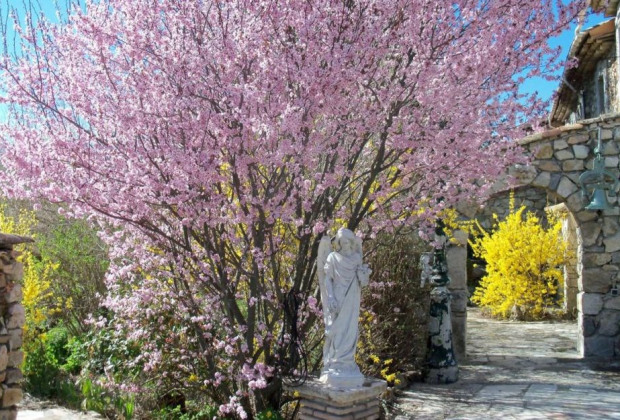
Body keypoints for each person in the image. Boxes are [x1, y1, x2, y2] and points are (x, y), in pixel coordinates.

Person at [318, 228, 371, 387]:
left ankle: (347, 361)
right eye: (343, 242)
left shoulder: (356, 258)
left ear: (351, 242)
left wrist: (364, 274)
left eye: (348, 242)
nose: (346, 245)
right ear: (339, 243)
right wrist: (330, 297)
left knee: (350, 328)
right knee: (337, 329)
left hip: (353, 297)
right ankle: (335, 361)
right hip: (338, 296)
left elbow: (362, 281)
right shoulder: (333, 257)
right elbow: (327, 279)